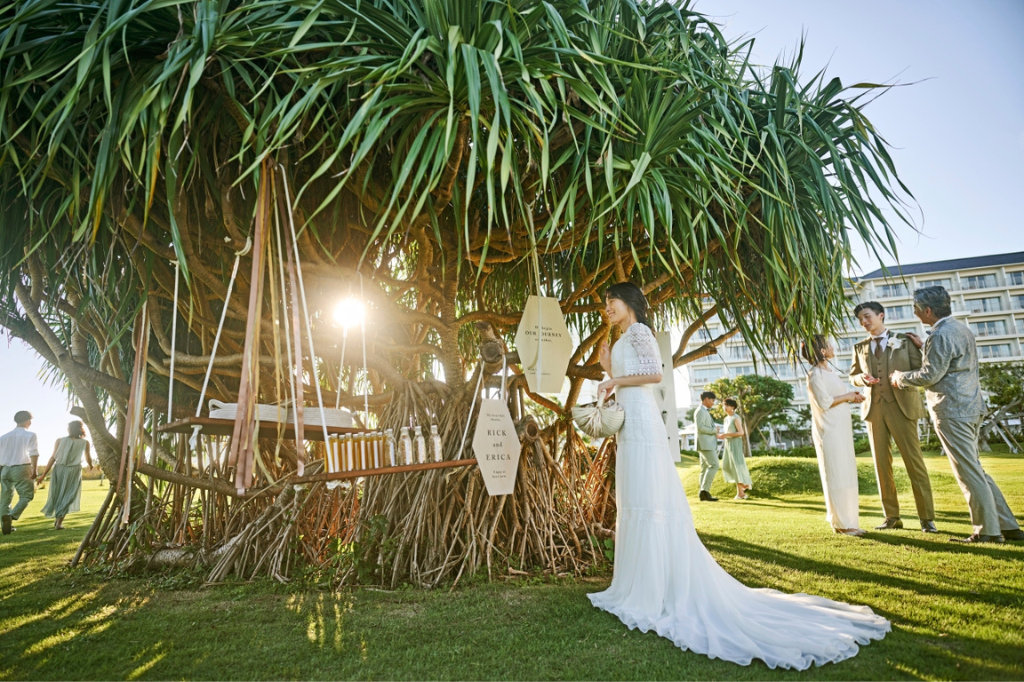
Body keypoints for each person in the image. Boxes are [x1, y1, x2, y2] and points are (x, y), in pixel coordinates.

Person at [588, 282, 889, 669]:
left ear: (628, 301)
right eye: (605, 302)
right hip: (629, 421)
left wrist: (614, 379)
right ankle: (637, 585)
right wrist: (609, 368)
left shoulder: (641, 332)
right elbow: (631, 375)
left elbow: (654, 374)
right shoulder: (622, 337)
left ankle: (653, 589)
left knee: (649, 498)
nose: (607, 307)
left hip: (643, 420)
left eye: (611, 300)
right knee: (636, 498)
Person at [891, 286, 1023, 544]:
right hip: (971, 407)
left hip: (952, 411)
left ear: (928, 311)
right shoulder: (960, 329)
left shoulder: (939, 335)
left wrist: (900, 378)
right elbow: (951, 360)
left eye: (915, 308)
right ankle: (1008, 527)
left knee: (968, 472)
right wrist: (924, 346)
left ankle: (987, 531)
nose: (914, 312)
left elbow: (929, 375)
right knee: (975, 469)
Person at [848, 301, 936, 533]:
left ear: (881, 315)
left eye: (867, 316)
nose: (864, 321)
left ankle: (927, 518)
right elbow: (853, 375)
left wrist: (902, 377)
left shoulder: (904, 341)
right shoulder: (859, 347)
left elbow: (922, 370)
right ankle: (891, 517)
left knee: (914, 463)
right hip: (874, 409)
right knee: (881, 465)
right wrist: (861, 379)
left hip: (902, 407)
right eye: (860, 319)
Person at [804, 336, 867, 537]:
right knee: (835, 474)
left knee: (846, 474)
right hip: (829, 430)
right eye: (829, 344)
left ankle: (849, 521)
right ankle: (840, 523)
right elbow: (824, 402)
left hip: (841, 428)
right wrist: (848, 396)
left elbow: (835, 397)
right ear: (822, 351)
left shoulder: (829, 372)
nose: (833, 347)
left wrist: (851, 396)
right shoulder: (815, 375)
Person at [36, 420, 94, 530]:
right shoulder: (84, 442)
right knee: (68, 495)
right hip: (72, 470)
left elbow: (53, 458)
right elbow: (88, 456)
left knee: (60, 494)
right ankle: (59, 522)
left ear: (70, 429)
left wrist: (44, 474)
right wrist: (91, 465)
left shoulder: (60, 440)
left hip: (60, 469)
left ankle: (58, 520)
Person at [1, 410, 40, 535]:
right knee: (26, 496)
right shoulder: (30, 435)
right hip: (22, 468)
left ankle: (5, 526)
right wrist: (35, 469)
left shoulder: (3, 437)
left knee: (5, 499)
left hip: (5, 469)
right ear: (28, 420)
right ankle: (10, 517)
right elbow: (33, 453)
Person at [717, 399, 752, 499]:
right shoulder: (726, 419)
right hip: (728, 444)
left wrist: (726, 435)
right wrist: (719, 434)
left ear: (732, 407)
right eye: (724, 405)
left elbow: (741, 433)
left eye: (727, 405)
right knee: (727, 466)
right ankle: (744, 486)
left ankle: (741, 492)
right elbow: (727, 433)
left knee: (736, 467)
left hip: (735, 444)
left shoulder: (736, 418)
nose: (724, 407)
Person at [694, 391, 721, 501]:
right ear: (706, 399)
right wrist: (714, 430)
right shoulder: (700, 411)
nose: (713, 403)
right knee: (714, 465)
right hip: (705, 444)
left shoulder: (703, 410)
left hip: (705, 444)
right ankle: (705, 491)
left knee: (704, 468)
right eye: (712, 400)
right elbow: (700, 428)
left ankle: (703, 493)